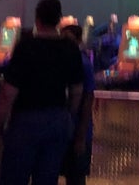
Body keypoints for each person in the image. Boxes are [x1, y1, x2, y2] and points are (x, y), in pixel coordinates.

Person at [0, 0, 84, 185]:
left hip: (26, 120)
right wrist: (69, 115)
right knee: (47, 178)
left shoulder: (25, 46)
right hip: (57, 119)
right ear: (59, 20)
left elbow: (9, 92)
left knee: (14, 177)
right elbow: (77, 90)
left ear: (37, 19)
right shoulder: (70, 48)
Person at [60, 24, 95, 185]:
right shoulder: (65, 60)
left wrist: (81, 136)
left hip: (77, 130)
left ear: (79, 40)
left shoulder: (83, 63)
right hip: (64, 130)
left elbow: (88, 99)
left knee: (76, 176)